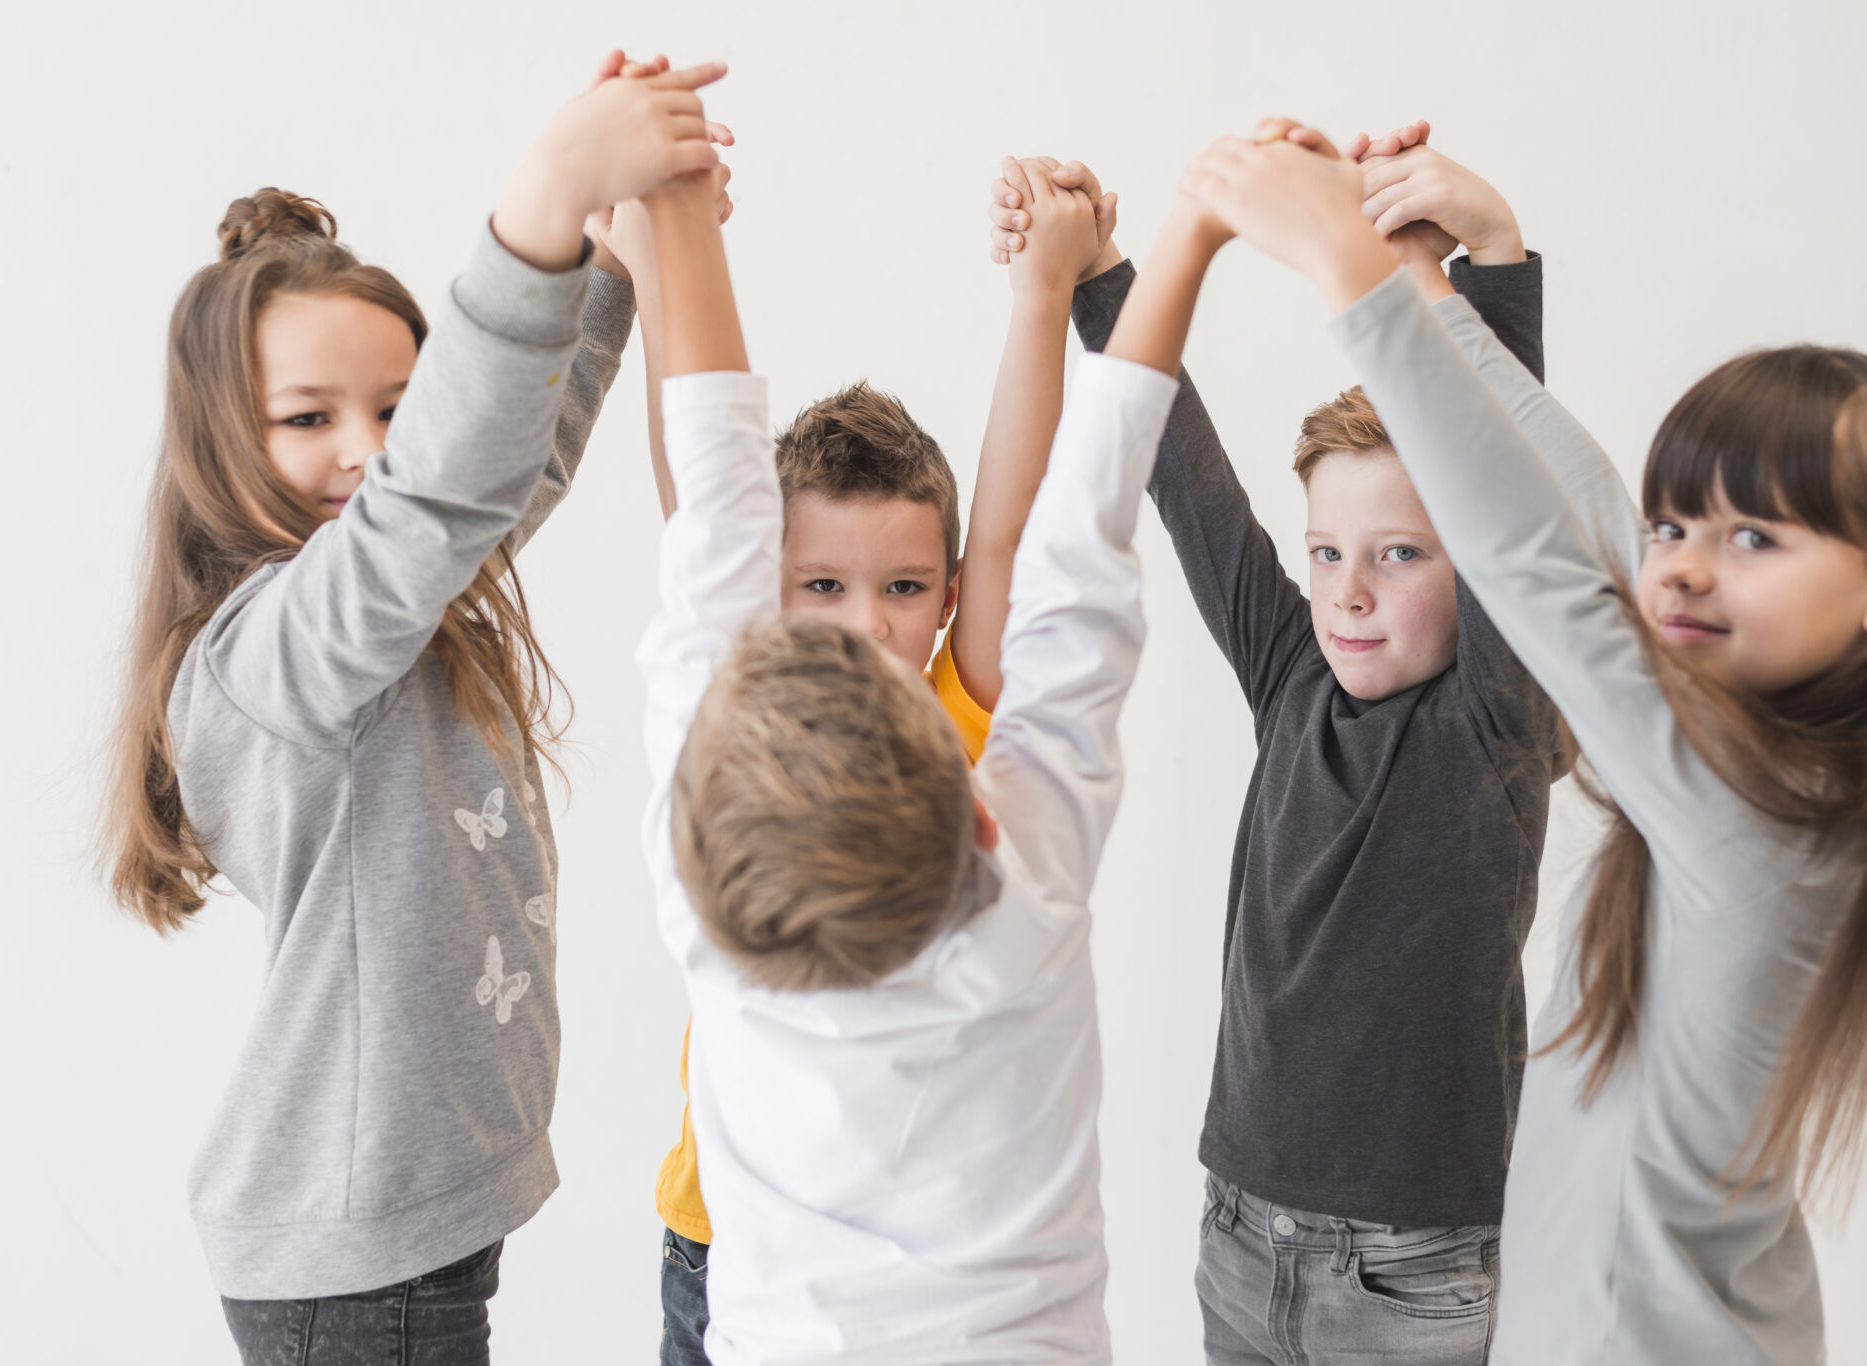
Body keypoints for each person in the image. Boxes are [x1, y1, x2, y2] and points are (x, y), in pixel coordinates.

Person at [1182, 119, 1867, 1366]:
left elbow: (1542, 570)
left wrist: (1361, 278)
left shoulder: (1748, 811)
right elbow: (1594, 532)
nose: (1684, 567)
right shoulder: (1744, 761)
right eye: (1679, 526)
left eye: (1757, 538)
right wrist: (1449, 286)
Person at [102, 51, 727, 1365]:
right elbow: (440, 490)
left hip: (392, 1237)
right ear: (221, 443)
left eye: (398, 405)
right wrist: (547, 194)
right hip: (352, 1261)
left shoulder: (382, 614)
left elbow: (500, 469)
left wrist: (610, 269)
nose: (367, 447)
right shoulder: (274, 653)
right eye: (308, 416)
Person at [990, 127, 1561, 1364]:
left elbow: (1511, 494)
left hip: (1410, 1272)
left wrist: (1493, 267)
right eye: (1325, 553)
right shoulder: (1290, 671)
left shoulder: (1496, 720)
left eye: (1399, 554)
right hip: (1238, 1231)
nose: (1347, 593)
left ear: (1468, 566)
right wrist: (1095, 274)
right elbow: (1182, 478)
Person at [634, 116, 1185, 1363]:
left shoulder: (964, 719)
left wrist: (1038, 299)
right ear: (768, 593)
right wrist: (672, 256)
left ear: (943, 599)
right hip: (723, 1237)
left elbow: (1015, 535)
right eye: (820, 585)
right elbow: (701, 515)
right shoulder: (746, 719)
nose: (868, 627)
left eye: (900, 589)